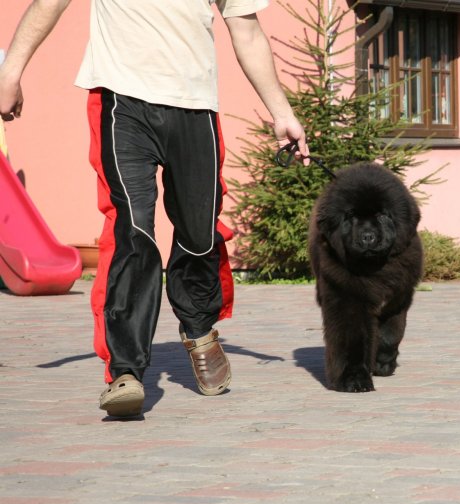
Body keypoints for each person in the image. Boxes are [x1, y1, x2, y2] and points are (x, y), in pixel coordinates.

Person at [0, 0, 309, 418]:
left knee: (199, 232)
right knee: (131, 230)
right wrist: (10, 72)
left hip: (195, 106)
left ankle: (199, 328)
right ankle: (125, 371)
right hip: (120, 102)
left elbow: (247, 31)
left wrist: (282, 112)